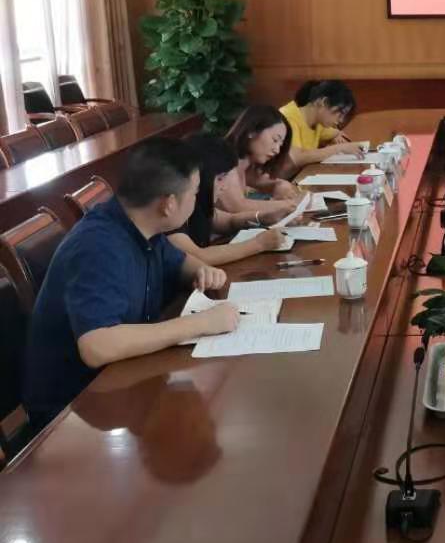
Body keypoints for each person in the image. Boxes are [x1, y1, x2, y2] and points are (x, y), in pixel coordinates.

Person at [22, 139, 240, 429]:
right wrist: (200, 323)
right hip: (73, 411)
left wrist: (201, 270)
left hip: (123, 378)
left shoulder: (141, 223)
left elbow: (178, 262)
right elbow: (97, 346)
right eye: (195, 192)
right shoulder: (98, 246)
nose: (197, 200)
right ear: (168, 204)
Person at [168, 133, 291, 266]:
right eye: (220, 178)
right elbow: (199, 257)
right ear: (201, 177)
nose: (224, 186)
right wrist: (259, 244)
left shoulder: (198, 203)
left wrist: (263, 217)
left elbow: (229, 221)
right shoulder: (172, 213)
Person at [217, 106, 302, 220]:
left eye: (280, 145)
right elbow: (237, 207)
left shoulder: (245, 165)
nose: (277, 150)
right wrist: (286, 205)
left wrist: (282, 186)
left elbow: (272, 182)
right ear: (252, 131)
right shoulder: (223, 158)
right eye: (275, 140)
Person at [280, 79, 361, 170]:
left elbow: (336, 133)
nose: (341, 120)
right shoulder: (289, 117)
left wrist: (336, 136)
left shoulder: (318, 123)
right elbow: (297, 158)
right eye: (340, 113)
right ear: (324, 102)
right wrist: (339, 148)